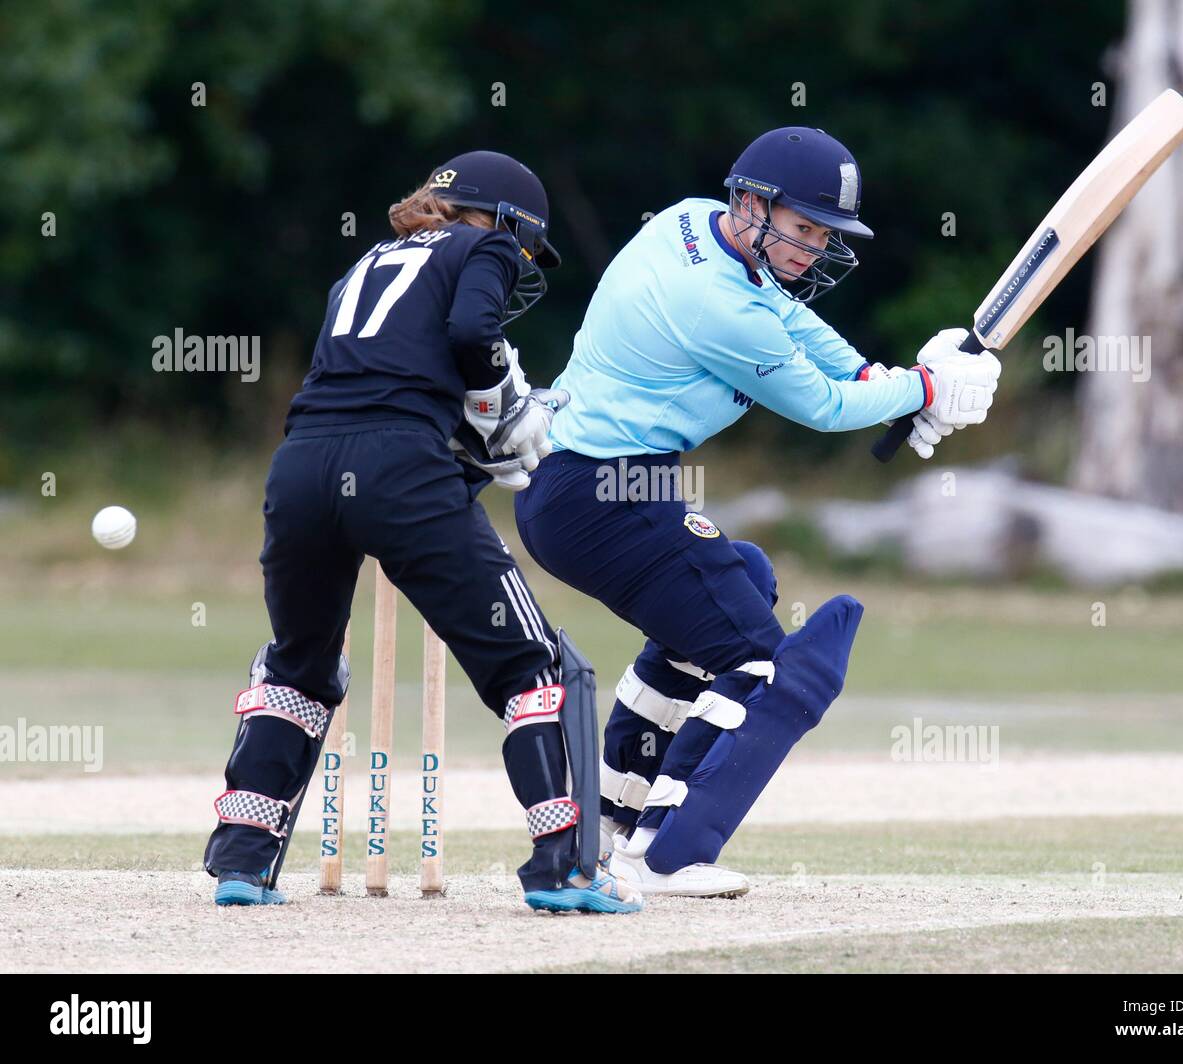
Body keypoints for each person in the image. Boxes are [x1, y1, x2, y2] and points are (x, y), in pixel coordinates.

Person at [509, 127, 1001, 897]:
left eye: (827, 233)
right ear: (751, 203)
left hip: (586, 485)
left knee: (739, 584)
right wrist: (927, 389)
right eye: (805, 226)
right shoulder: (716, 307)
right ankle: (667, 852)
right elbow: (823, 407)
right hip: (601, 493)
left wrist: (884, 377)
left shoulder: (690, 221)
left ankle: (607, 825)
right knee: (763, 663)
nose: (816, 246)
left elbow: (793, 325)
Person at [202, 151, 642, 915]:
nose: (521, 262)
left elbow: (381, 376)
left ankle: (243, 861)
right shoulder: (486, 244)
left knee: (301, 666)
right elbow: (471, 333)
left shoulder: (367, 261)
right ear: (501, 220)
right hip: (397, 470)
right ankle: (565, 867)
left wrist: (468, 439)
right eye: (525, 245)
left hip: (300, 467)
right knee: (531, 665)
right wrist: (499, 404)